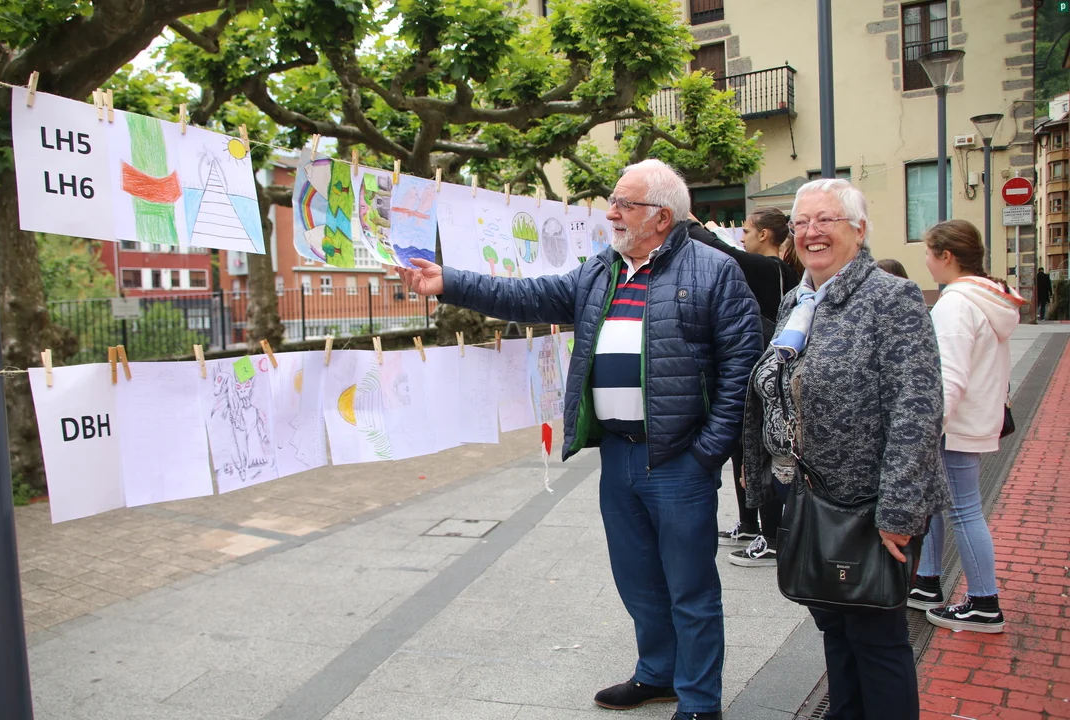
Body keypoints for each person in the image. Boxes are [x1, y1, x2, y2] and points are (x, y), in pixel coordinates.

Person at [397, 159, 763, 720]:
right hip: (618, 455)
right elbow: (529, 296)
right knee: (637, 579)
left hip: (679, 460)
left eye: (624, 204)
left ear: (661, 217)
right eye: (612, 202)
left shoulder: (714, 271)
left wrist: (708, 451)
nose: (610, 213)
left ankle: (699, 701)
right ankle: (657, 674)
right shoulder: (602, 272)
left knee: (690, 588)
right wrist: (447, 281)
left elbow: (742, 366)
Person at [742, 179, 948, 720]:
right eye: (801, 222)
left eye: (826, 219)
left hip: (869, 506)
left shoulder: (891, 298)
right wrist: (760, 469)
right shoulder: (797, 301)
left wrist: (898, 512)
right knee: (834, 625)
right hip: (806, 497)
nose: (811, 231)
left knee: (877, 638)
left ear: (858, 230)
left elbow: (918, 409)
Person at [909, 220, 1026, 634]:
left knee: (963, 510)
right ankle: (927, 582)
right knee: (944, 505)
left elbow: (949, 377)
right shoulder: (987, 299)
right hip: (972, 418)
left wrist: (926, 428)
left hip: (954, 424)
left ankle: (983, 601)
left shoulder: (956, 303)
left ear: (947, 256)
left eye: (928, 253)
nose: (926, 261)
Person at [688, 209, 799, 568]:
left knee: (762, 454)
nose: (743, 237)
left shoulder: (771, 268)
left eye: (748, 231)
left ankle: (772, 537)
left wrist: (689, 222)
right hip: (754, 374)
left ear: (765, 235)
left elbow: (724, 251)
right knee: (744, 449)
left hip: (768, 379)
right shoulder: (766, 267)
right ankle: (750, 524)